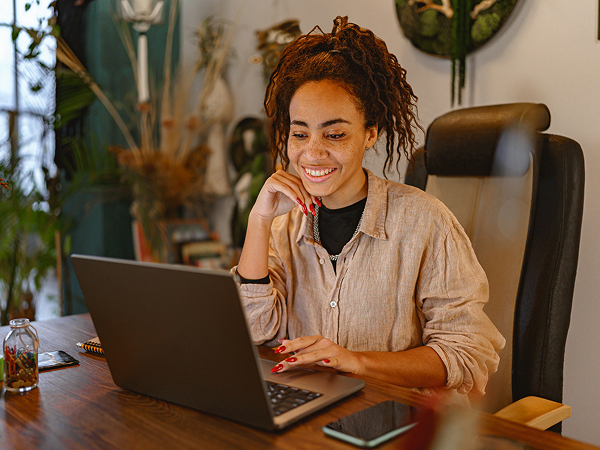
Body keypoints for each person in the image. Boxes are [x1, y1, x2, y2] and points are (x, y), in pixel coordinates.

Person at [233, 16, 504, 402]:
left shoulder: (426, 222)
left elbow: (466, 353)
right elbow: (254, 332)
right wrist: (258, 221)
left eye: (335, 133)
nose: (312, 152)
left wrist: (357, 362)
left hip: (394, 419)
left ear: (370, 132)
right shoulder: (283, 225)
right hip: (306, 411)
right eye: (299, 133)